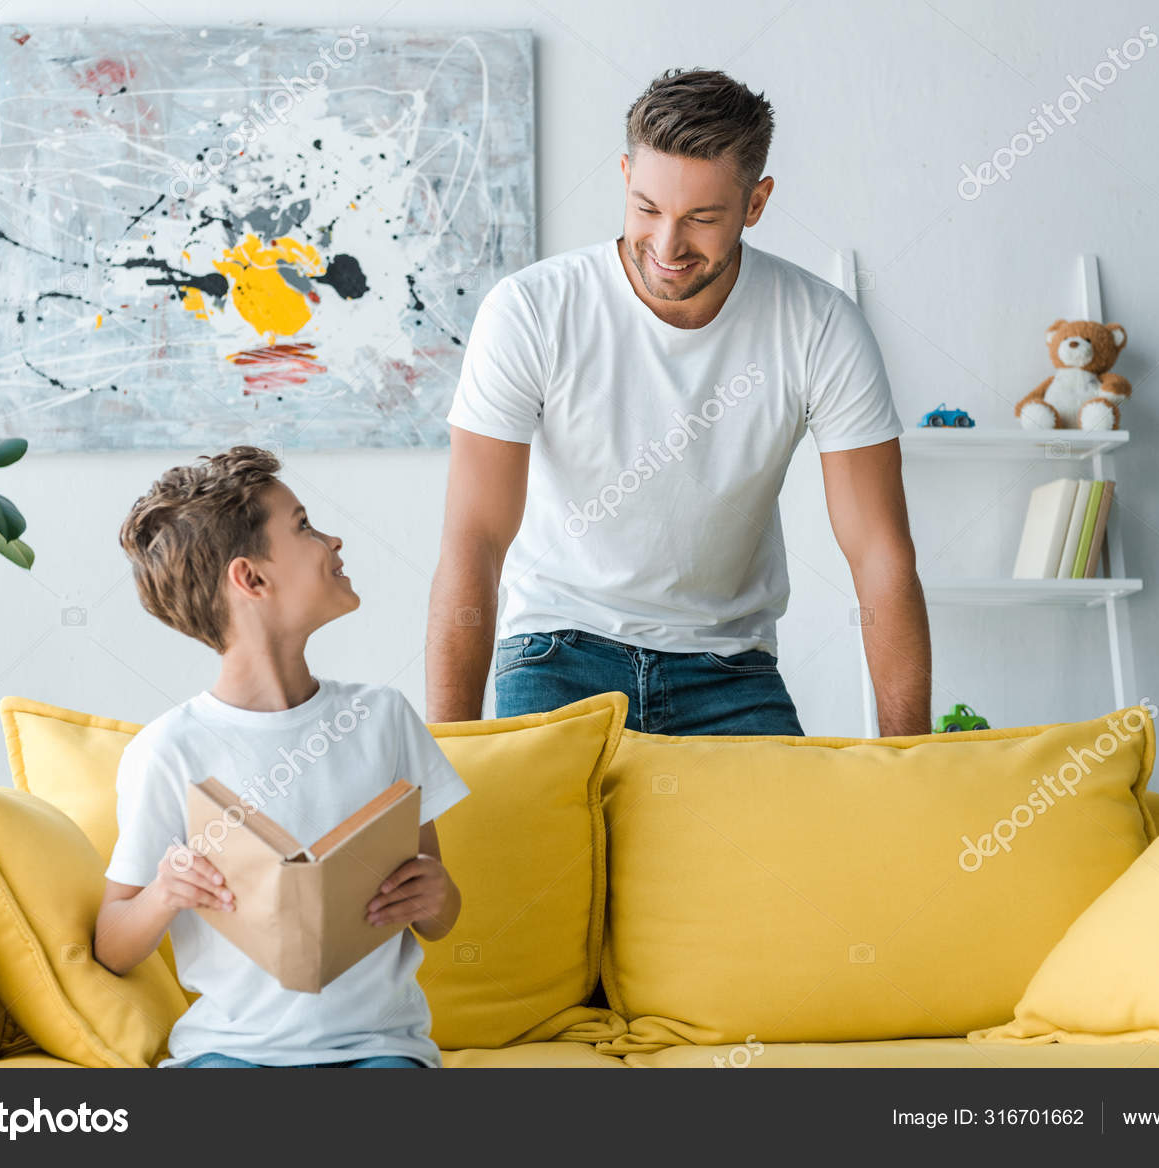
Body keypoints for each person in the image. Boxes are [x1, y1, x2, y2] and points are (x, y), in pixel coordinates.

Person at [427, 68, 931, 736]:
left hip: (731, 668)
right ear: (626, 174)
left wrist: (909, 758)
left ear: (755, 204)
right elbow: (475, 540)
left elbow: (880, 554)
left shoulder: (820, 325)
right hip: (558, 650)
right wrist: (447, 763)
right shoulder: (530, 311)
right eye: (647, 208)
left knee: (786, 844)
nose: (666, 247)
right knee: (535, 844)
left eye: (701, 218)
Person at [93, 446, 470, 1068]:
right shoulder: (168, 750)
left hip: (378, 1049)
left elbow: (438, 914)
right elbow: (112, 943)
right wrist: (165, 892)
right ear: (252, 579)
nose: (333, 539)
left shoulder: (383, 718)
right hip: (228, 1053)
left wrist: (436, 897)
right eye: (302, 526)